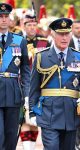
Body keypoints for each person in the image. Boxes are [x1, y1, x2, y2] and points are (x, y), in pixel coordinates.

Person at [29, 17, 80, 150]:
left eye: (67, 34)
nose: (64, 38)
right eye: (60, 34)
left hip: (71, 114)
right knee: (51, 147)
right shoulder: (41, 57)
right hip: (48, 114)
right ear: (52, 34)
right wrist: (32, 112)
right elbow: (34, 88)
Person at [0, 3, 30, 150]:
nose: (4, 19)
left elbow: (25, 70)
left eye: (6, 16)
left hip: (13, 93)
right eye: (1, 16)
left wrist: (27, 95)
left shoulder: (20, 41)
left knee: (11, 136)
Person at [19, 11, 51, 150]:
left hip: (40, 85)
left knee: (36, 117)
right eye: (29, 25)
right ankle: (28, 147)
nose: (32, 27)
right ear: (23, 25)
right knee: (24, 118)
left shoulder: (44, 41)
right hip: (21, 85)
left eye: (34, 24)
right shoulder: (18, 40)